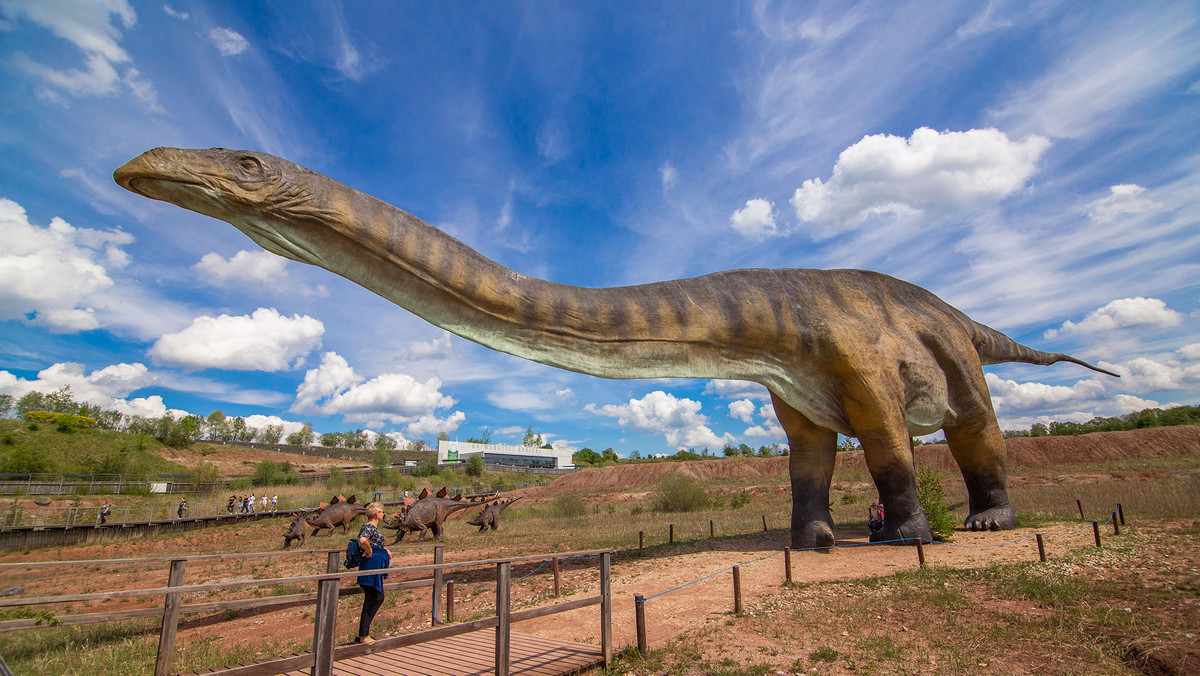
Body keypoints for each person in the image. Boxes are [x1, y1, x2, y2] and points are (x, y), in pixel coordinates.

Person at [353, 502, 391, 644]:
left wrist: (385, 550)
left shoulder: (373, 528)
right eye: (382, 511)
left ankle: (364, 634)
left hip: (375, 568)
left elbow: (375, 543)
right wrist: (369, 551)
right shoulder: (368, 526)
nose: (383, 514)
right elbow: (363, 540)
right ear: (377, 514)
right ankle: (364, 635)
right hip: (370, 568)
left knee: (374, 598)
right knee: (374, 598)